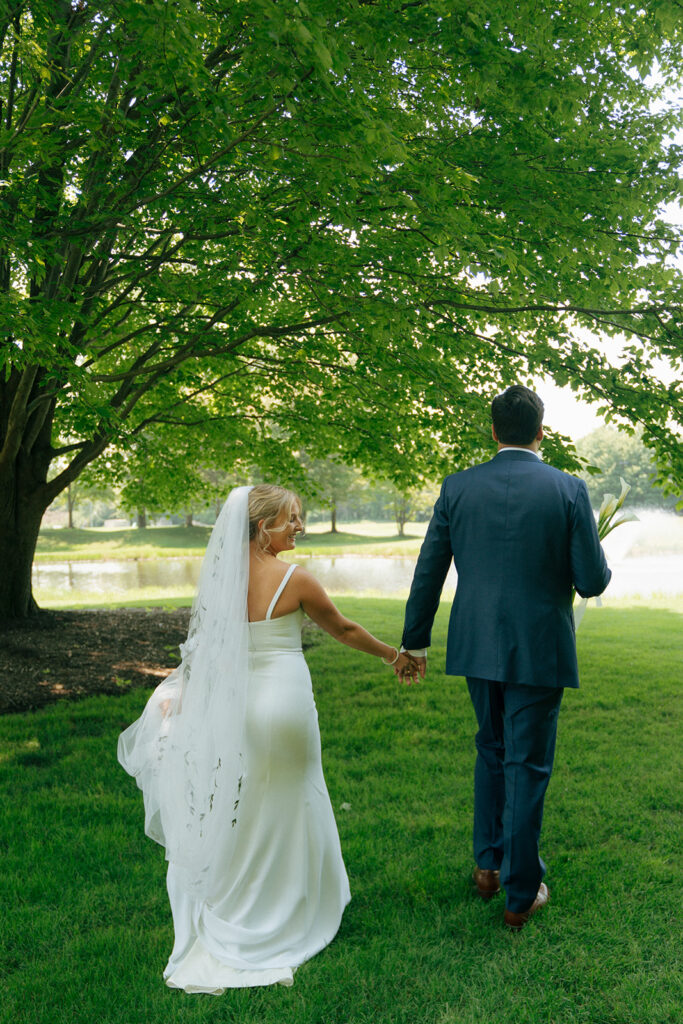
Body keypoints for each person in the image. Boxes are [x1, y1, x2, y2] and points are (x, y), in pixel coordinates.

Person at [118, 484, 416, 992]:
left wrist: (183, 694)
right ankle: (297, 907)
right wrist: (396, 656)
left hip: (238, 708)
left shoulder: (220, 579)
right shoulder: (297, 580)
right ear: (263, 529)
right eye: (291, 519)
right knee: (296, 796)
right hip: (285, 705)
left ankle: (245, 901)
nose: (298, 526)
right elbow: (342, 629)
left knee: (250, 803)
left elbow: (206, 648)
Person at [399, 385, 611, 930]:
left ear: (493, 431)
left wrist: (414, 641)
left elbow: (430, 570)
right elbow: (591, 581)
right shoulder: (568, 489)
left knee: (492, 749)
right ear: (542, 431)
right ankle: (520, 894)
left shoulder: (458, 486)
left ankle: (488, 868)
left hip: (476, 642)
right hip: (539, 646)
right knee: (528, 764)